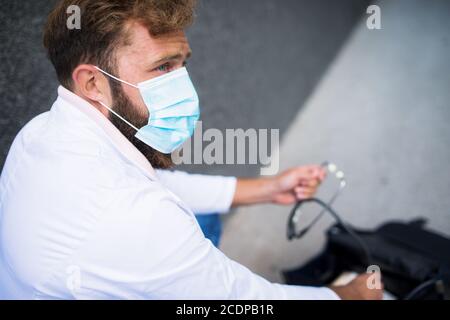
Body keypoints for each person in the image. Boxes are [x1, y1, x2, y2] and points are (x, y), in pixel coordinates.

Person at [0, 0, 382, 300]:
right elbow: (243, 299)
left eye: (182, 65)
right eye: (163, 68)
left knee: (206, 219)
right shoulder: (132, 219)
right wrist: (348, 295)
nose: (185, 88)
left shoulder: (41, 133)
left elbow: (152, 186)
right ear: (94, 84)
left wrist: (267, 189)